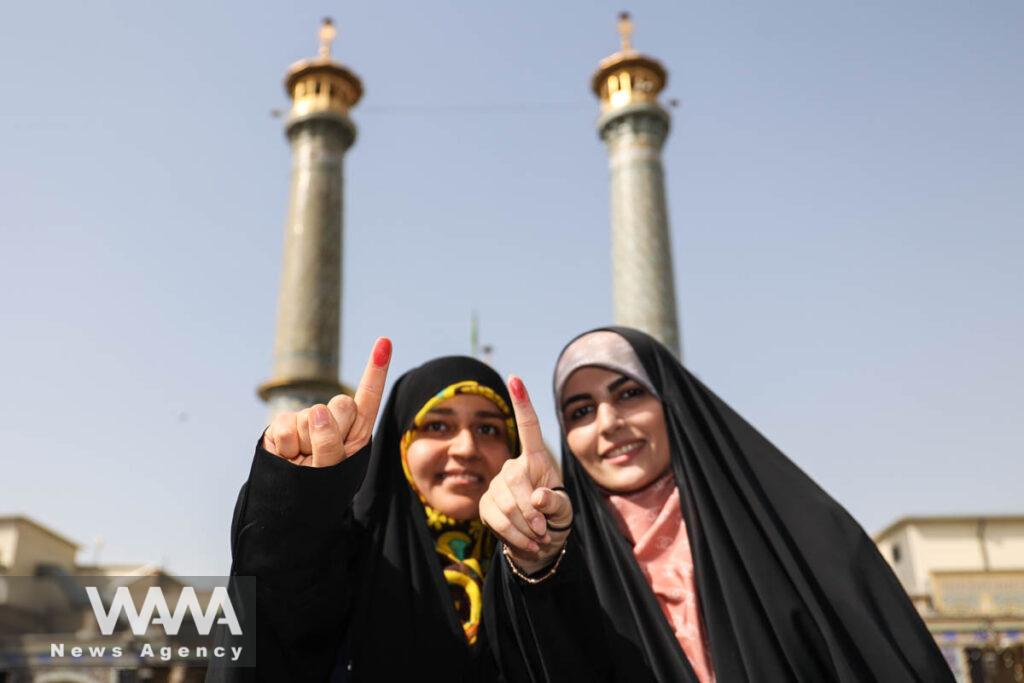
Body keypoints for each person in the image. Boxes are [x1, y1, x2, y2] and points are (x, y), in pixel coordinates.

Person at [481, 326, 955, 682]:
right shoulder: (572, 563)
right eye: (580, 411)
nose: (609, 423)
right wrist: (537, 556)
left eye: (629, 394)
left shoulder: (794, 534)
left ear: (674, 402)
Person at [212, 339, 529, 681]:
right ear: (398, 445)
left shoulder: (540, 571)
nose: (467, 448)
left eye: (488, 429)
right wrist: (294, 495)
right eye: (438, 426)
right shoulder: (350, 559)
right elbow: (278, 607)